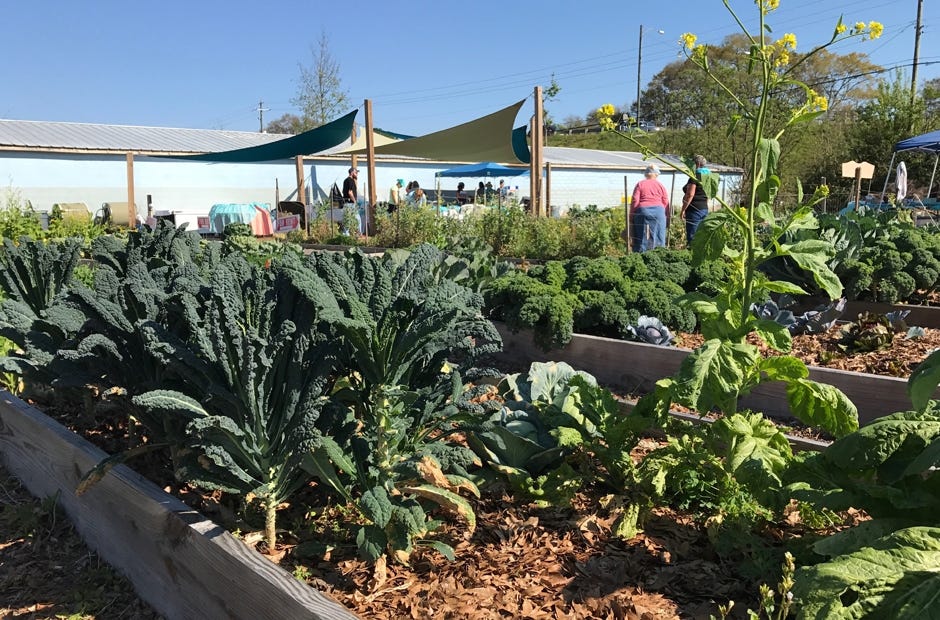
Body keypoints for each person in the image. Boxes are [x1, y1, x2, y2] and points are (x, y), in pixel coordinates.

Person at [631, 163, 669, 252]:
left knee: (642, 236)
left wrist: (631, 215)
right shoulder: (661, 186)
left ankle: (641, 255)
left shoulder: (640, 184)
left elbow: (635, 201)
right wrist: (667, 216)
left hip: (643, 211)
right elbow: (665, 202)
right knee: (659, 235)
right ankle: (659, 253)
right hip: (659, 212)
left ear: (646, 174)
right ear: (656, 174)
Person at [680, 155, 711, 245]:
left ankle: (692, 255)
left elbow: (690, 194)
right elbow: (709, 194)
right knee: (701, 235)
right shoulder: (708, 176)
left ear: (697, 164)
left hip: (694, 210)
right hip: (704, 209)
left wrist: (683, 209)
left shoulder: (696, 176)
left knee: (693, 236)